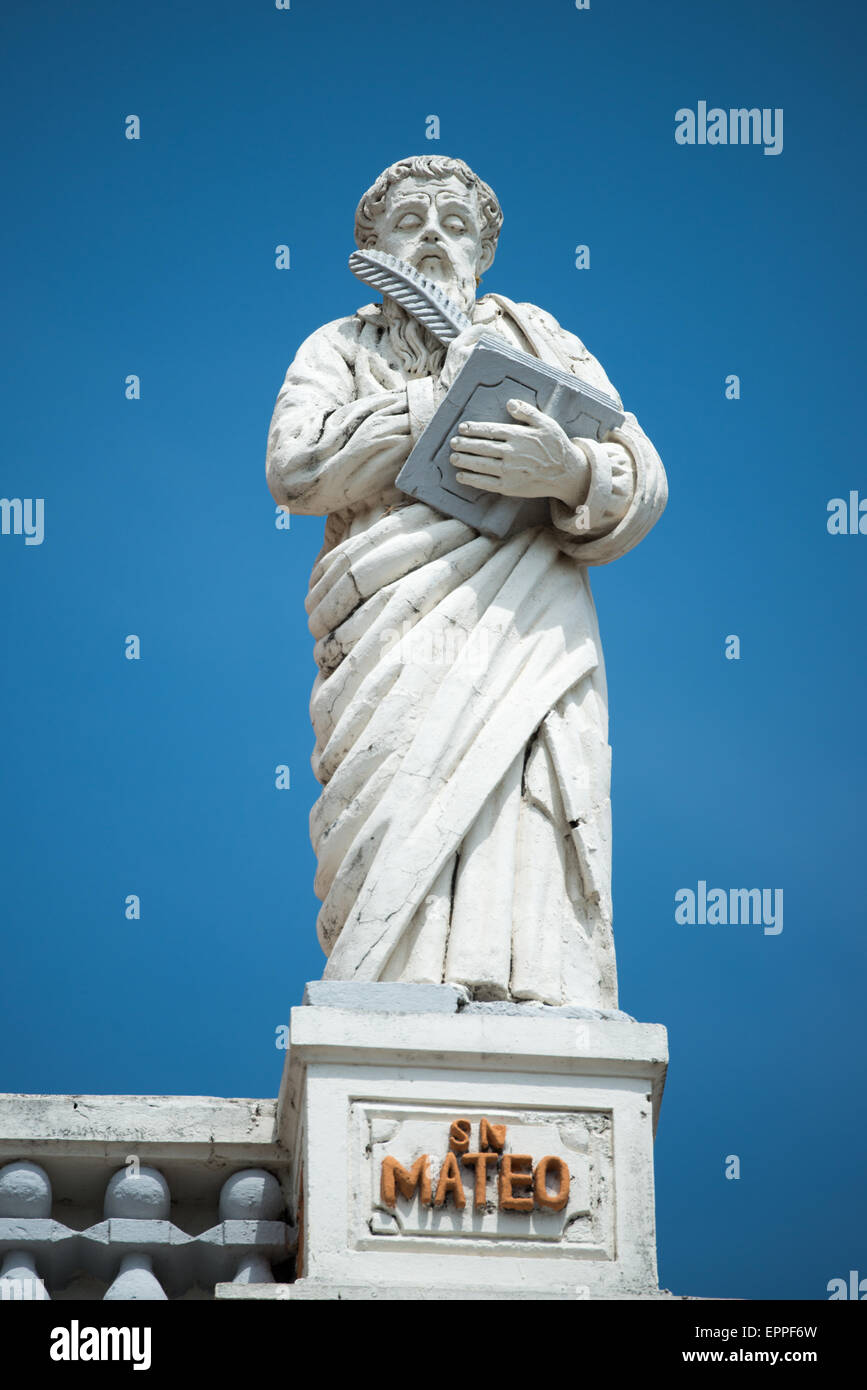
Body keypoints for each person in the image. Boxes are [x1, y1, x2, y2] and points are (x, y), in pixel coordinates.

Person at [266, 155, 667, 1008]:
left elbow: (641, 469)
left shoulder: (541, 338)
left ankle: (538, 988)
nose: (433, 240)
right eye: (410, 222)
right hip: (390, 617)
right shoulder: (338, 345)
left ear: (482, 252)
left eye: (454, 225)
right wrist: (426, 407)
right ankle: (394, 987)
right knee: (400, 788)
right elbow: (297, 468)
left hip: (528, 619)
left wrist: (565, 470)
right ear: (374, 244)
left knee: (522, 783)